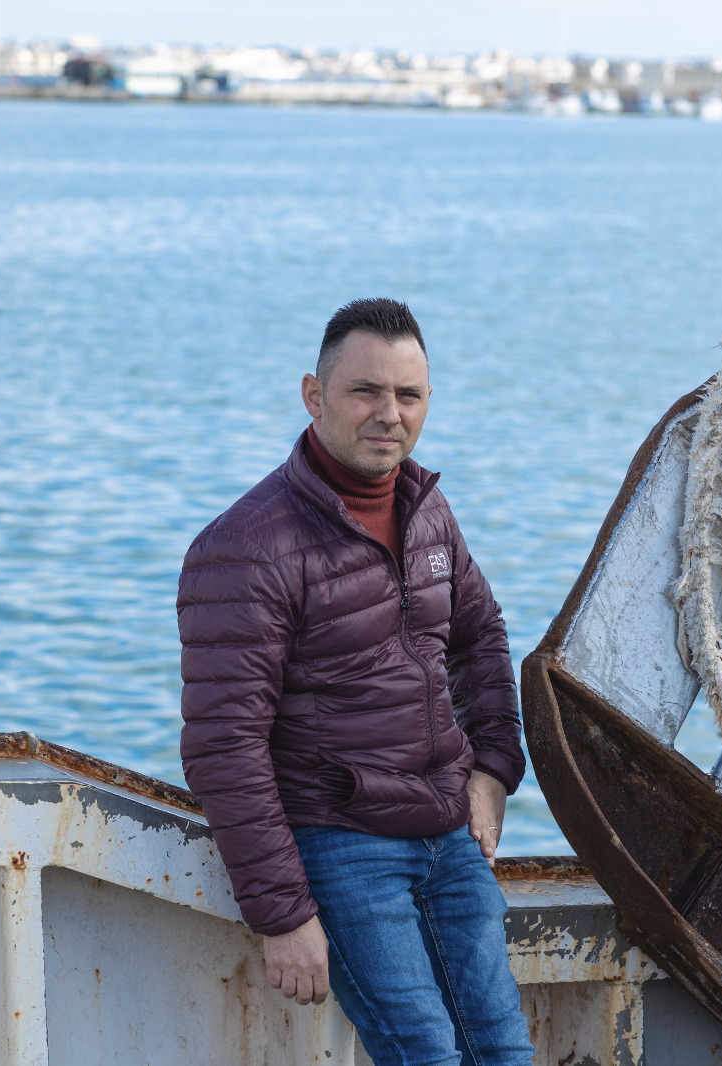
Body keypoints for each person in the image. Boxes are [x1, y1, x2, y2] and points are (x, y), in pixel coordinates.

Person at [177, 298, 533, 1065]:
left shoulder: (427, 511)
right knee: (427, 1056)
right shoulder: (246, 547)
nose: (389, 414)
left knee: (504, 1052)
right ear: (314, 395)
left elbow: (480, 638)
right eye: (365, 391)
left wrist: (494, 769)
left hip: (449, 836)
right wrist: (282, 913)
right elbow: (224, 745)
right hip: (343, 846)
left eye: (408, 395)